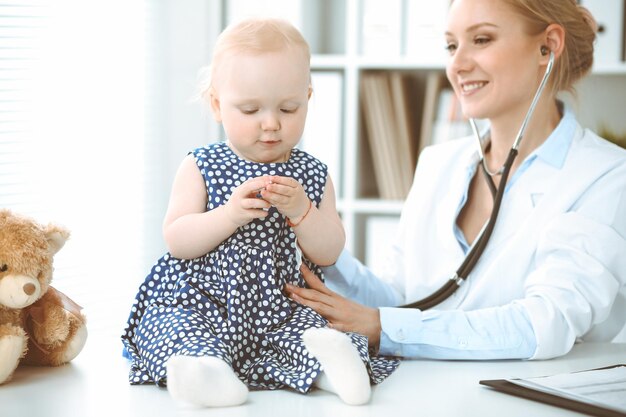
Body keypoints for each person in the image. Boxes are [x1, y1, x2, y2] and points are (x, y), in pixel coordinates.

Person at [286, 0, 626, 362]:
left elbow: (543, 324)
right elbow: (401, 300)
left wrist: (384, 328)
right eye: (452, 46)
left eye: (481, 39)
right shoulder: (438, 164)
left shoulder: (606, 175)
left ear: (548, 46)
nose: (458, 65)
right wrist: (325, 251)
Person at [121, 18, 398, 408]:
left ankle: (330, 366)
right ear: (217, 105)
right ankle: (205, 372)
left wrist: (303, 212)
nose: (271, 123)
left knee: (310, 331)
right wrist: (229, 214)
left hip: (281, 306)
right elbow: (177, 240)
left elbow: (329, 251)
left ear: (308, 97)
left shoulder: (312, 173)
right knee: (174, 329)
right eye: (250, 109)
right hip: (203, 302)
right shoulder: (202, 165)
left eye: (288, 107)